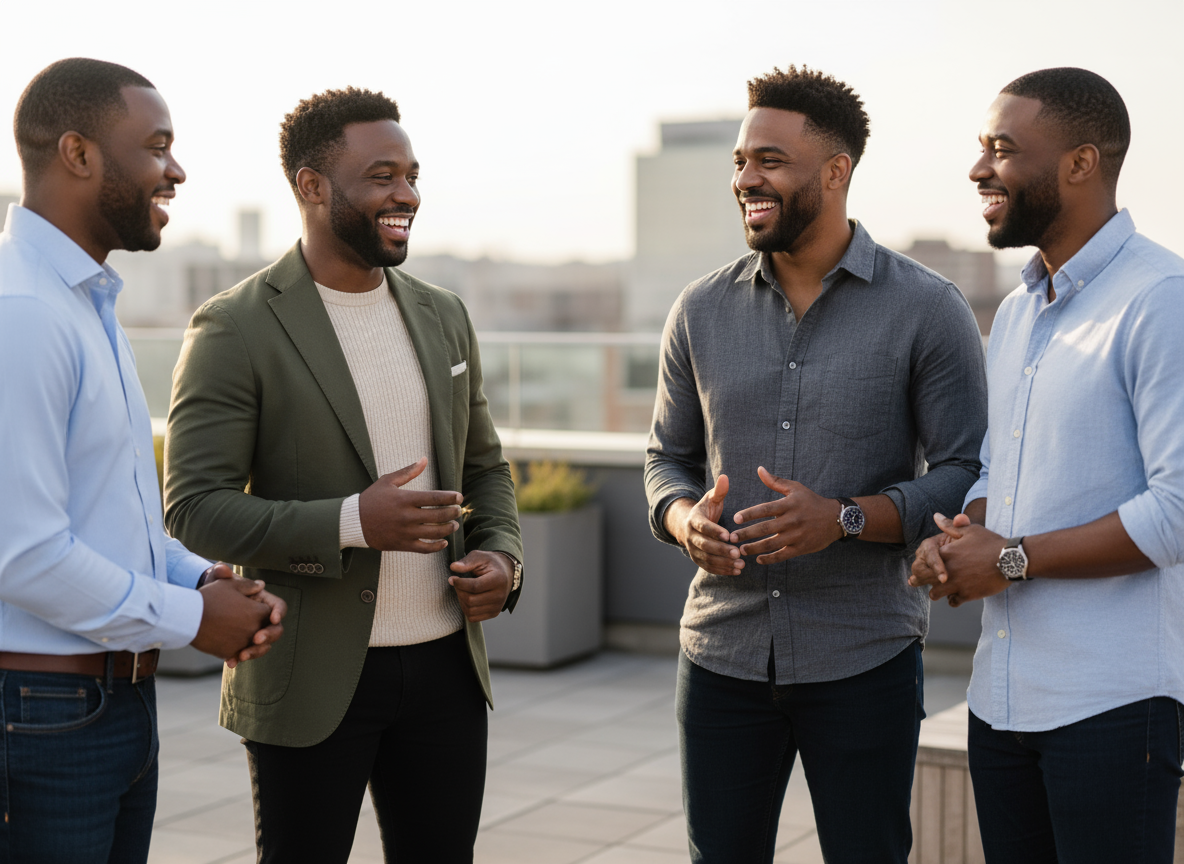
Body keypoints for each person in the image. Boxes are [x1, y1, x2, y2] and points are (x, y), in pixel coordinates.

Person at [164, 87, 523, 864]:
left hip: (447, 671)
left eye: (412, 176)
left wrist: (502, 556)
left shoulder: (445, 314)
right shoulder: (235, 326)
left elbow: (485, 466)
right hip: (308, 672)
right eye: (382, 176)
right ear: (312, 186)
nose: (407, 195)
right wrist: (354, 521)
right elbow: (193, 507)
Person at [644, 65, 988, 863]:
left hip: (864, 655)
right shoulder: (698, 310)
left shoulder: (928, 308)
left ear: (836, 172)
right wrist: (684, 521)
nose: (746, 179)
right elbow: (667, 459)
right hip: (721, 653)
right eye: (740, 161)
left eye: (770, 161)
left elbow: (964, 470)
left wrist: (843, 518)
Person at [0, 58, 285, 864]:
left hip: (106, 703)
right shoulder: (23, 313)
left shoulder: (84, 304)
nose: (177, 170)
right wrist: (195, 620)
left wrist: (197, 577)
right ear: (79, 153)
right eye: (157, 147)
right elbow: (22, 554)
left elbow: (106, 516)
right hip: (41, 709)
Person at [910, 67, 1184, 863]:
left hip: (1113, 706)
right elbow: (999, 471)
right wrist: (961, 540)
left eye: (1002, 149)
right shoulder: (1019, 310)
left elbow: (1176, 511)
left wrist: (1011, 559)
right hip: (1001, 701)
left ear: (1080, 163)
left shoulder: (1161, 298)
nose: (979, 169)